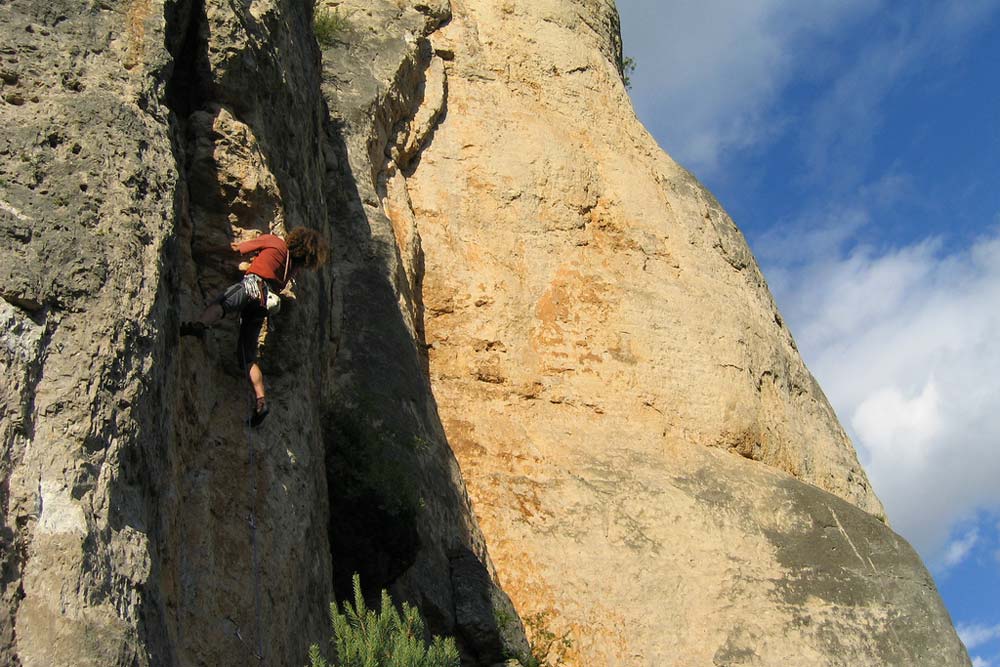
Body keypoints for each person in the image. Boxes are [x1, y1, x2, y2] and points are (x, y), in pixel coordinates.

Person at [181, 227, 329, 426]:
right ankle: (261, 400)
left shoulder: (275, 242)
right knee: (247, 357)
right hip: (263, 304)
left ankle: (199, 325)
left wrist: (205, 250)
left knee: (221, 305)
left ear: (295, 238)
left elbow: (236, 249)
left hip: (252, 286)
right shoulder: (291, 268)